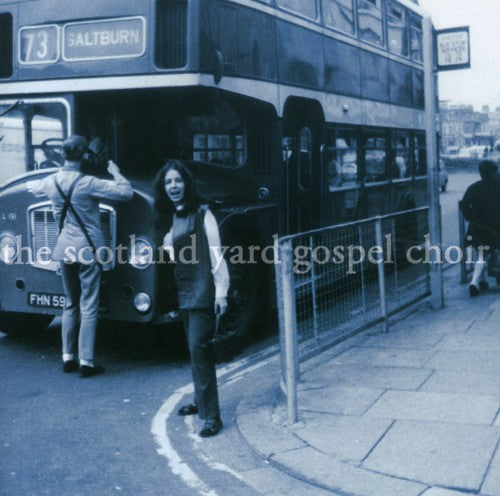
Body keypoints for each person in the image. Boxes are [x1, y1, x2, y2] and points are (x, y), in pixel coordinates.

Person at [27, 135, 133, 376]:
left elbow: (32, 189)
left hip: (64, 248)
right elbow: (126, 193)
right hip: (87, 249)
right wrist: (115, 172)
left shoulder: (51, 181)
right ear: (84, 155)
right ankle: (86, 361)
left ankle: (67, 357)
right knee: (88, 305)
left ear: (64, 155)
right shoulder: (88, 183)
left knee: (70, 302)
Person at [153, 159, 229, 437]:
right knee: (193, 350)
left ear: (187, 183)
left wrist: (222, 292)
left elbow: (216, 255)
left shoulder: (203, 213)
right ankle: (200, 402)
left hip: (202, 290)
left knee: (200, 351)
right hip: (183, 292)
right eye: (168, 182)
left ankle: (212, 417)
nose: (174, 186)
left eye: (178, 180)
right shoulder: (168, 215)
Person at [459, 160, 500, 297]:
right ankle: (474, 283)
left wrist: (471, 217)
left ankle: (481, 281)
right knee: (486, 254)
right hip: (493, 227)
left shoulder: (474, 187)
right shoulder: (497, 187)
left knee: (481, 254)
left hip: (477, 227)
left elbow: (464, 204)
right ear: (492, 172)